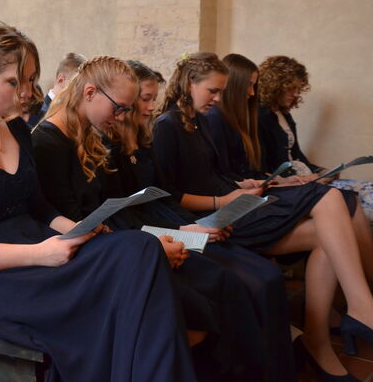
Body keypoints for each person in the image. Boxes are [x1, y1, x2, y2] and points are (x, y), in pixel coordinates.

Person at [0, 24, 195, 381]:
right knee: (135, 260)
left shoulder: (17, 129)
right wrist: (41, 254)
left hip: (41, 247)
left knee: (140, 249)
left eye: (31, 80)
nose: (26, 92)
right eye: (14, 82)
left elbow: (39, 207)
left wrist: (78, 229)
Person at [153, 52, 373, 381]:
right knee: (330, 198)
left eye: (221, 92)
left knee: (330, 233)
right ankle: (362, 307)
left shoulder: (199, 121)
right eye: (212, 91)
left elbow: (215, 174)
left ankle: (318, 339)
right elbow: (169, 194)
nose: (218, 99)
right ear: (189, 84)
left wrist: (242, 184)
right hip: (214, 216)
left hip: (230, 200)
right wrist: (224, 199)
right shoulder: (167, 125)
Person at [109, 59, 296, 381]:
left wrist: (201, 223)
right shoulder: (138, 137)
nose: (151, 107)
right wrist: (186, 228)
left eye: (153, 98)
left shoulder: (144, 137)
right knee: (237, 284)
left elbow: (163, 197)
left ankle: (276, 367)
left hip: (173, 224)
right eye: (145, 99)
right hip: (153, 236)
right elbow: (131, 212)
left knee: (266, 275)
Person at [256, 55, 373, 219]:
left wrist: (322, 171)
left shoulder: (284, 114)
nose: (296, 94)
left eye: (299, 89)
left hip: (307, 178)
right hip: (294, 184)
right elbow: (265, 168)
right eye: (291, 88)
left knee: (369, 189)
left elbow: (297, 156)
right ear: (275, 85)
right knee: (364, 197)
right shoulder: (260, 116)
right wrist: (307, 179)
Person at [37, 52, 85, 120]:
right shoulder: (43, 113)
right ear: (61, 80)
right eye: (77, 84)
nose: (81, 92)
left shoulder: (70, 110)